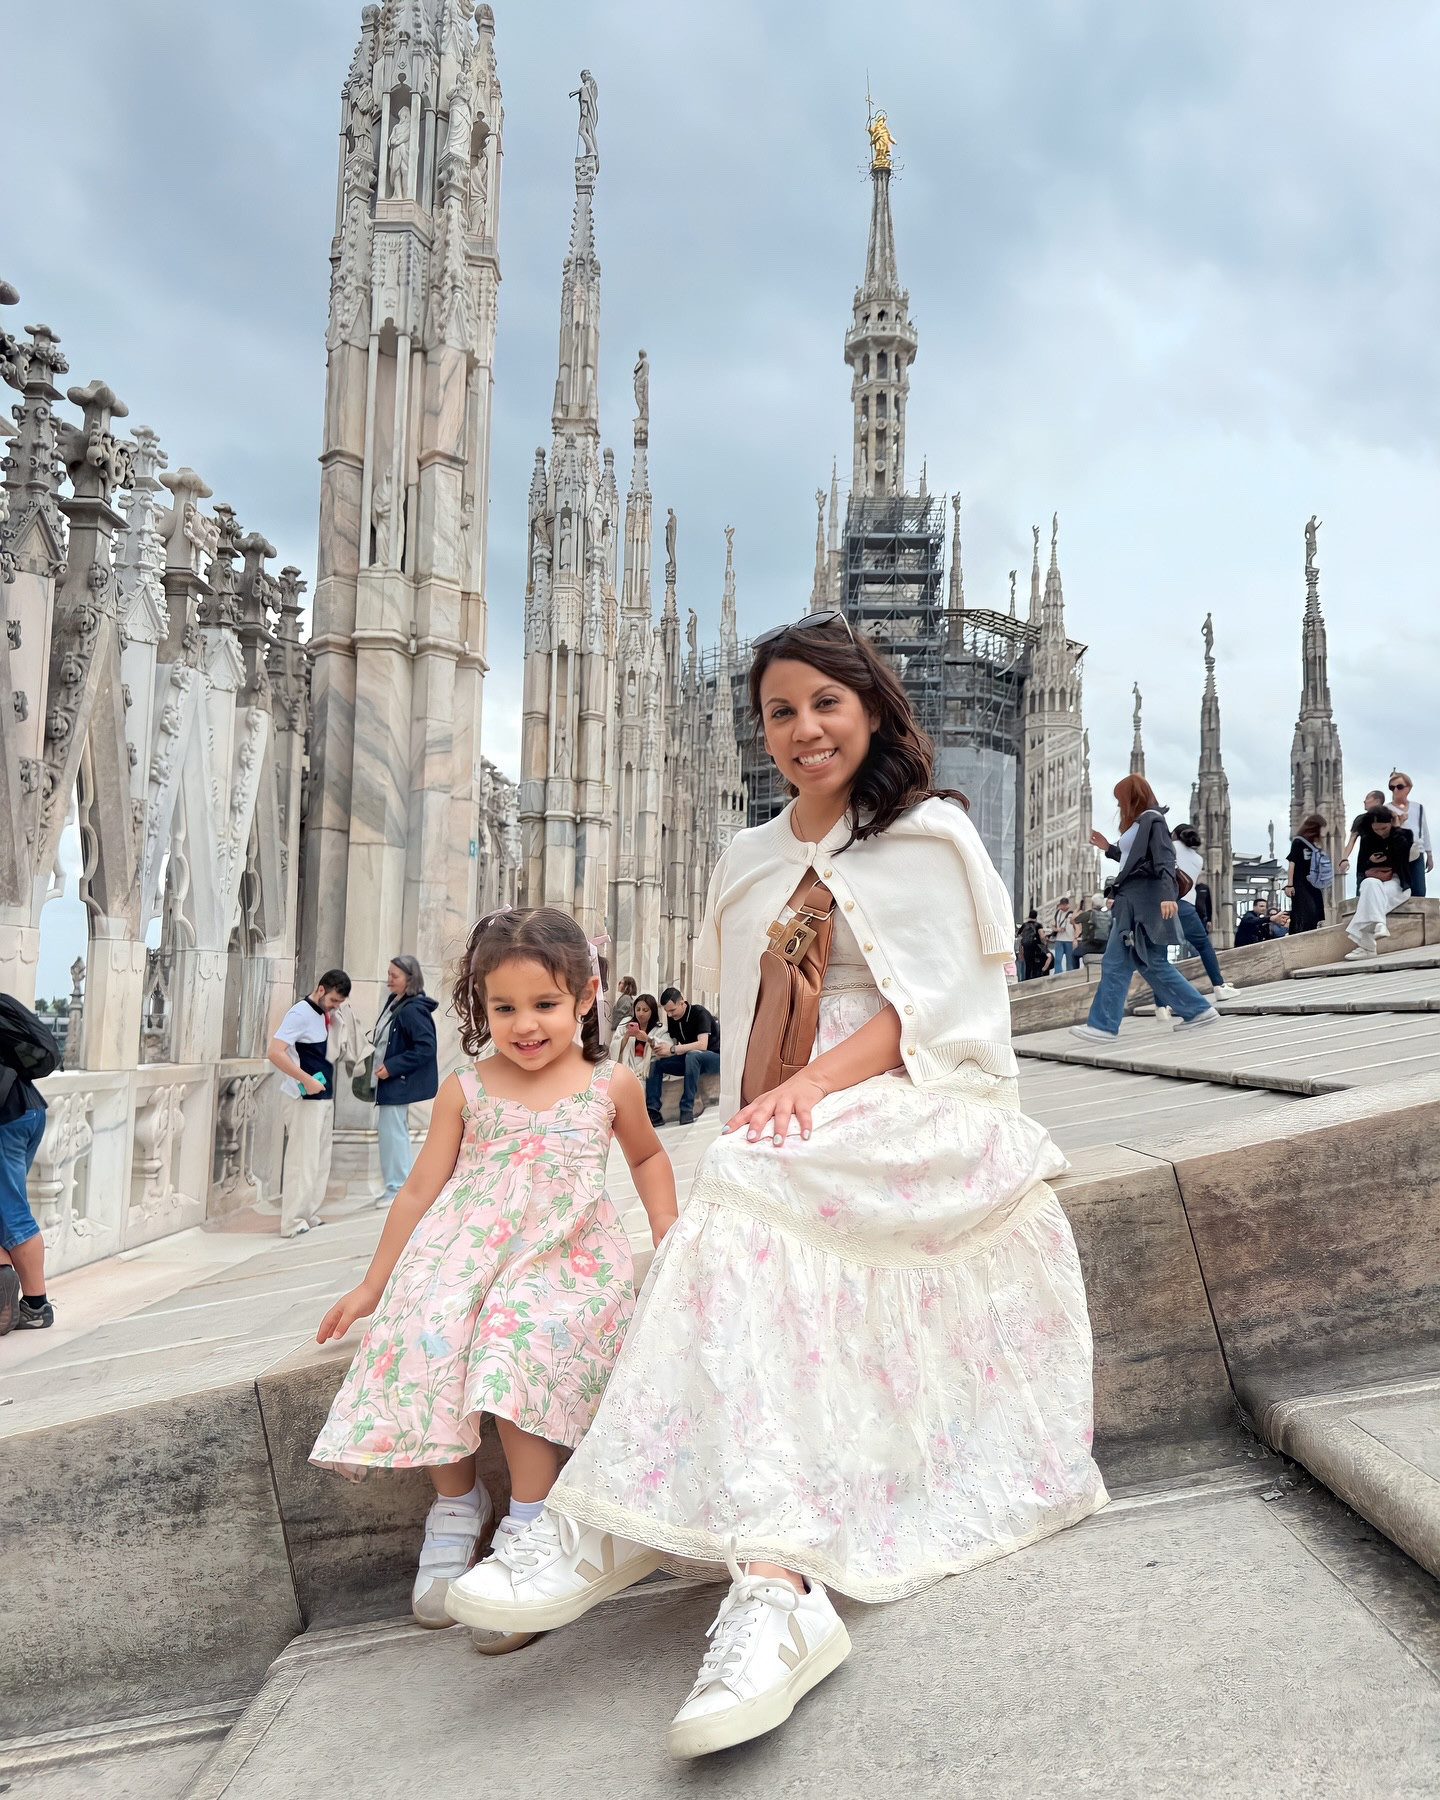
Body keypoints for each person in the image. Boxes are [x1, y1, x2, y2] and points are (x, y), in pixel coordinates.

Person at [445, 610, 1107, 1759]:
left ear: (871, 709)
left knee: (742, 1169)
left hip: (919, 1103)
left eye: (825, 704)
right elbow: (742, 1022)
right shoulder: (747, 860)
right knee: (737, 1185)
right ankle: (710, 1552)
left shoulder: (930, 836)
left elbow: (934, 1010)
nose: (804, 729)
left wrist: (807, 1092)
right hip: (792, 1125)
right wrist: (775, 1100)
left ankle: (663, 1534)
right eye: (780, 712)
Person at [311, 907, 678, 1637]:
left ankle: (532, 1527)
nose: (525, 1024)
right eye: (503, 1007)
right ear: (479, 1005)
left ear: (586, 995)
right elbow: (420, 1189)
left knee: (516, 1338)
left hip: (562, 1255)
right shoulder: (466, 1088)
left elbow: (645, 1157)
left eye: (545, 1004)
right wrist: (374, 1284)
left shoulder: (610, 1086)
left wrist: (667, 1233)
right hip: (465, 1245)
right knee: (431, 1329)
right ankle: (456, 1503)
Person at [1071, 777, 1219, 1044]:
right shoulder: (1143, 821)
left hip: (1143, 902)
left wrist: (1166, 895)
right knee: (1151, 962)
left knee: (1116, 962)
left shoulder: (1153, 820)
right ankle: (1198, 1009)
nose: (1118, 804)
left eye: (1120, 799)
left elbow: (1164, 858)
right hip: (1135, 900)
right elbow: (1136, 861)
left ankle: (1103, 1026)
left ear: (1132, 796)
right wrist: (1109, 849)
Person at [268, 970, 351, 1238]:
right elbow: (275, 1052)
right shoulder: (300, 1012)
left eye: (340, 1002)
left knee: (319, 1159)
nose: (335, 1005)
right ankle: (292, 1220)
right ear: (321, 989)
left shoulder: (327, 1015)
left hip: (323, 1096)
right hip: (303, 1096)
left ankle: (308, 1213)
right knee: (301, 1160)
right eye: (334, 1000)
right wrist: (306, 1079)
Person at [0, 995, 62, 1334]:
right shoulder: (3, 1004)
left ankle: (37, 1306)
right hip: (28, 1108)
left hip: (5, 1120)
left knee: (13, 1212)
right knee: (4, 1207)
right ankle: (7, 1294)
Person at [371, 956, 439, 1209]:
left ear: (410, 979)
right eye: (388, 974)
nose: (389, 980)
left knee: (393, 1133)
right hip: (390, 1080)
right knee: (392, 1132)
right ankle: (395, 1185)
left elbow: (426, 1047)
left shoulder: (411, 1009)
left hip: (397, 1080)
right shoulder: (396, 1003)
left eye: (394, 976)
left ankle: (397, 1187)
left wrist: (392, 1066)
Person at [1172, 825, 1239, 998]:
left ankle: (1162, 1004)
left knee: (1159, 955)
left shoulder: (1168, 847)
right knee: (1204, 946)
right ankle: (1218, 985)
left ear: (1174, 834)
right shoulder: (1197, 859)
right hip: (1186, 905)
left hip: (1163, 905)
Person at [645, 987, 720, 1126]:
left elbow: (702, 1045)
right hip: (691, 1060)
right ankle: (653, 1111)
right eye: (667, 1011)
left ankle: (687, 1109)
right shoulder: (672, 1019)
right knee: (656, 1064)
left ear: (682, 1003)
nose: (670, 1015)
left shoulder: (699, 1013)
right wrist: (662, 1050)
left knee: (693, 1055)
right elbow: (673, 1046)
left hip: (714, 1057)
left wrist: (673, 1049)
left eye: (672, 1010)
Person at [1345, 806, 1413, 960]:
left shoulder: (1403, 834)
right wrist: (1370, 860)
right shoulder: (1368, 838)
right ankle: (1380, 924)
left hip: (1396, 882)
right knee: (1369, 885)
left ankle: (1367, 948)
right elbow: (1362, 867)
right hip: (1374, 879)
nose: (1380, 832)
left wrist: (1396, 828)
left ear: (1390, 822)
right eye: (1376, 829)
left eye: (1383, 828)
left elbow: (1403, 855)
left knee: (1370, 899)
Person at [1386, 772, 1432, 899]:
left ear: (1408, 788)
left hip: (1416, 851)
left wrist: (1429, 854)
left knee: (1419, 890)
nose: (1395, 790)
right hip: (1396, 853)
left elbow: (1424, 831)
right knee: (1398, 888)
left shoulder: (1418, 808)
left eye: (1399, 786)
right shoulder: (1386, 809)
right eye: (1392, 787)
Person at [1283, 815, 1328, 934]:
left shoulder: (1314, 846)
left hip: (1313, 884)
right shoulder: (1298, 842)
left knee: (1314, 914)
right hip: (1300, 883)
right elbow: (1292, 863)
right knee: (1305, 911)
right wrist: (1290, 884)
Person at [1339, 791, 1387, 895]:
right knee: (1362, 895)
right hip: (1364, 866)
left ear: (1377, 801)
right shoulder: (1360, 819)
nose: (1364, 801)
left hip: (1385, 865)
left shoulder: (1387, 818)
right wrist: (1344, 859)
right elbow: (1351, 841)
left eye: (1367, 798)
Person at [611, 992, 662, 1076]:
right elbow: (613, 1048)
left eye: (645, 1010)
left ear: (652, 1011)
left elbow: (664, 1049)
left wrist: (647, 1039)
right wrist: (626, 1037)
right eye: (638, 1009)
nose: (640, 1014)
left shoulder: (659, 1029)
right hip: (627, 1068)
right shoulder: (625, 1024)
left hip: (647, 1071)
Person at [1075, 891, 1113, 962]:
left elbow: (1074, 920)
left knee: (1074, 954)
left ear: (1093, 903)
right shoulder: (1110, 914)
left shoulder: (1087, 914)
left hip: (1091, 944)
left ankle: (1074, 972)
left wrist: (1078, 908)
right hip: (1106, 945)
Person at [1016, 909, 1049, 980]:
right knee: (1035, 965)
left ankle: (1026, 980)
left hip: (1026, 947)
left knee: (1028, 965)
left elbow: (1019, 938)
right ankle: (1034, 980)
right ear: (1036, 917)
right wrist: (1045, 944)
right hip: (1036, 948)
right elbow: (1042, 936)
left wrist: (1021, 952)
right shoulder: (1038, 925)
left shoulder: (1024, 925)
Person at [1051, 896, 1077, 973]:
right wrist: (1057, 929)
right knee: (1058, 959)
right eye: (1062, 905)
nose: (1064, 906)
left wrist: (1075, 938)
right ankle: (1058, 975)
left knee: (1069, 960)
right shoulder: (1057, 913)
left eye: (1065, 905)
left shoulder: (1072, 914)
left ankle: (1069, 976)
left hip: (1069, 939)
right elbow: (1052, 925)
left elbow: (1077, 926)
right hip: (1059, 939)